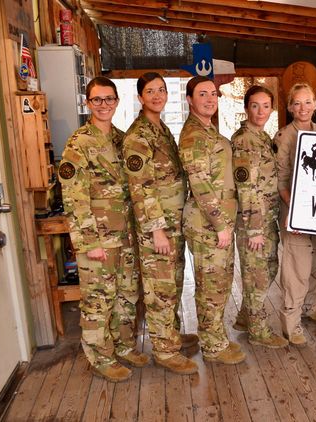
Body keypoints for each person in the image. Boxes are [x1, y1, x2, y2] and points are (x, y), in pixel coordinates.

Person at [59, 76, 146, 382]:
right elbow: (73, 195)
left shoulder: (123, 141)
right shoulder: (79, 143)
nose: (104, 105)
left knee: (126, 296)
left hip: (125, 236)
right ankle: (100, 357)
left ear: (117, 102)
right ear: (88, 103)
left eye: (109, 99)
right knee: (98, 300)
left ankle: (122, 346)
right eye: (97, 100)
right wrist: (88, 241)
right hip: (98, 239)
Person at [123, 72, 197, 374]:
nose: (157, 95)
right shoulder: (138, 136)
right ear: (140, 97)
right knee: (159, 289)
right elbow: (141, 188)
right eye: (150, 91)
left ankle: (171, 336)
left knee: (173, 284)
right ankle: (165, 352)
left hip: (173, 224)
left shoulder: (160, 128)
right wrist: (156, 231)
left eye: (162, 90)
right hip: (159, 229)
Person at [178, 76, 246, 365]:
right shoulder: (193, 136)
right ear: (190, 100)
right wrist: (220, 225)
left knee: (219, 282)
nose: (209, 99)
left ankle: (215, 337)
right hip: (208, 224)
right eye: (202, 94)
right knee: (211, 285)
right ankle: (213, 346)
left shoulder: (208, 130)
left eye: (213, 94)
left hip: (219, 221)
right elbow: (201, 185)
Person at [232, 85, 289, 349]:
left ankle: (245, 317)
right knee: (257, 275)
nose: (260, 111)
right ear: (246, 108)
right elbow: (245, 187)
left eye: (266, 106)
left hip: (268, 219)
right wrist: (254, 229)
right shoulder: (245, 140)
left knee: (267, 268)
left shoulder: (263, 137)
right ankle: (258, 330)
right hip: (254, 223)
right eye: (255, 105)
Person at [275, 82, 316, 347]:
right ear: (289, 107)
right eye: (297, 103)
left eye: (308, 102)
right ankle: (291, 322)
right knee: (297, 268)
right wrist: (296, 210)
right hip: (294, 212)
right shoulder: (284, 136)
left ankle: (308, 306)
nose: (303, 108)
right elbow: (281, 179)